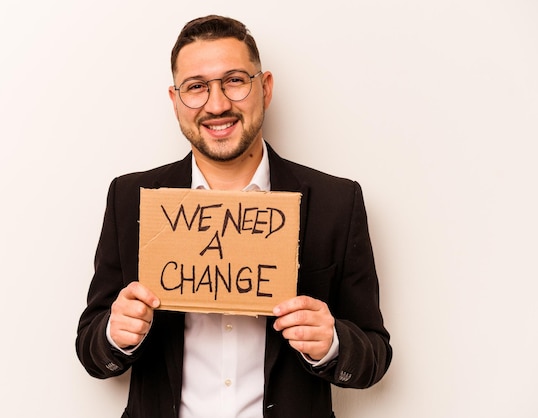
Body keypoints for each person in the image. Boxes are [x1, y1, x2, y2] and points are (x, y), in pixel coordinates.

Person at [76, 15, 392, 418]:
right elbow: (91, 348)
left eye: (235, 81)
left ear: (265, 88)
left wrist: (331, 342)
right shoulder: (131, 198)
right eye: (196, 87)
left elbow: (374, 356)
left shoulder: (336, 202)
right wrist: (114, 335)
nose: (217, 104)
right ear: (175, 102)